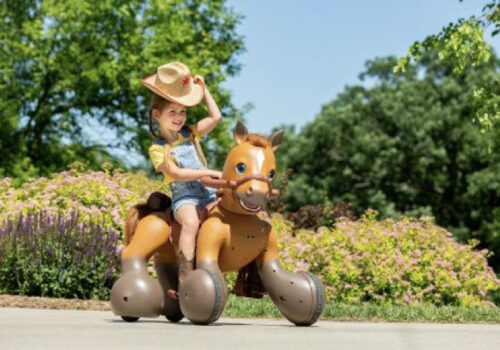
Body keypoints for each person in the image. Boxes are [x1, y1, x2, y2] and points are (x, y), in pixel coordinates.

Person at [141, 61, 222, 290]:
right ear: (157, 114)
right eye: (172, 111)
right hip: (185, 198)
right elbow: (175, 173)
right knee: (191, 222)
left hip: (209, 192)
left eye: (183, 111)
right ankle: (185, 276)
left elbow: (215, 117)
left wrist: (204, 91)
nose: (179, 117)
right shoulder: (158, 149)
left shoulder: (191, 133)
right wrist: (207, 172)